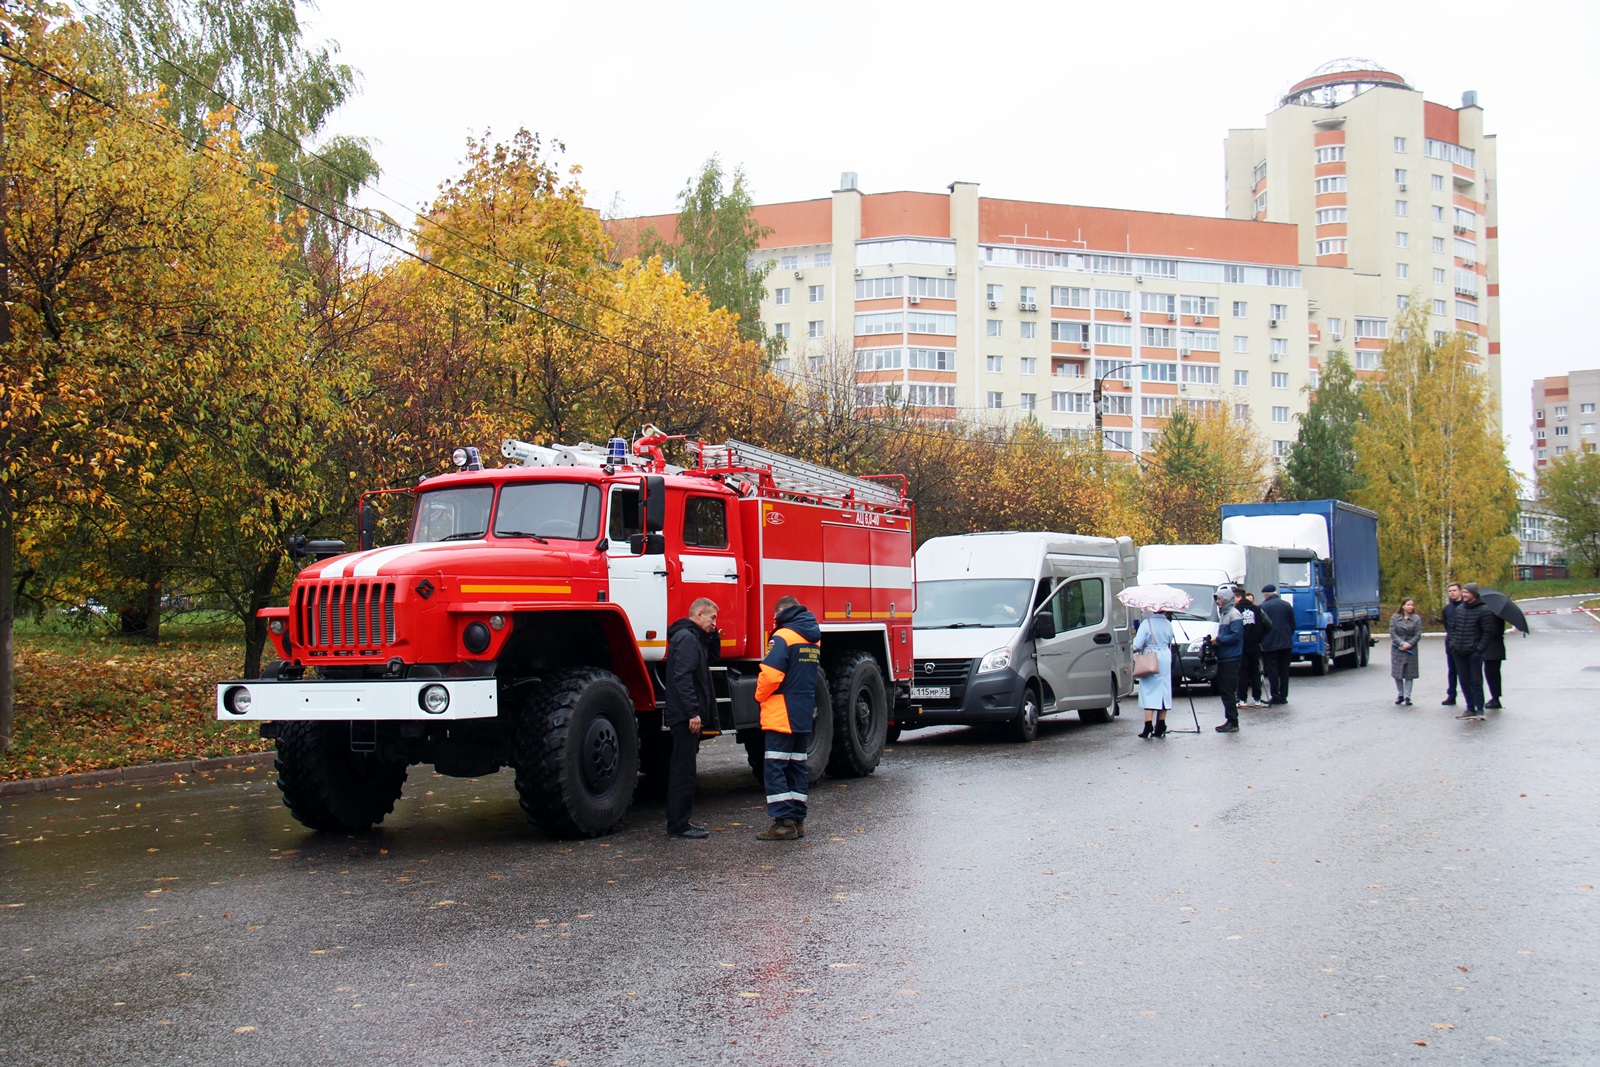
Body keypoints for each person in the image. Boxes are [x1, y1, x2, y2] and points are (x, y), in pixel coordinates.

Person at [754, 596, 823, 841]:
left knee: (775, 767)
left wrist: (758, 695)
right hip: (803, 713)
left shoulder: (782, 636)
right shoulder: (812, 638)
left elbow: (771, 675)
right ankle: (797, 820)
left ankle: (783, 823)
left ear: (781, 612)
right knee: (796, 767)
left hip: (781, 713)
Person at [663, 597, 719, 838]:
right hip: (686, 717)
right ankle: (679, 825)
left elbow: (712, 662)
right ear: (698, 614)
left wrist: (714, 637)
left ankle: (680, 822)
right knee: (683, 771)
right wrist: (692, 712)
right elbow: (682, 677)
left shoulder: (693, 638)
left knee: (684, 769)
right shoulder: (687, 639)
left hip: (685, 716)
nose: (714, 623)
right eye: (712, 618)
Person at [1445, 582, 1493, 720]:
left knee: (1476, 681)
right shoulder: (1460, 609)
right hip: (1458, 652)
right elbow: (1453, 628)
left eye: (1467, 592)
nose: (1464, 595)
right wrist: (1453, 645)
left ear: (1474, 594)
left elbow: (1487, 632)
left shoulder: (1484, 610)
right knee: (1464, 680)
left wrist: (1479, 649)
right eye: (1463, 592)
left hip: (1474, 653)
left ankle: (1479, 708)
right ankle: (1469, 707)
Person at [1132, 609, 1175, 738]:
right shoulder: (1168, 623)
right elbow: (1170, 639)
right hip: (1165, 656)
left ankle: (1148, 724)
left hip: (1151, 656)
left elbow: (1137, 644)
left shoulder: (1147, 623)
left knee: (1149, 689)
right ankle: (1161, 723)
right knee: (1164, 688)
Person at [1210, 586, 1244, 732]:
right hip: (1225, 656)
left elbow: (1236, 636)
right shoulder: (1225, 614)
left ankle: (1233, 721)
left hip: (1231, 657)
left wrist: (1219, 640)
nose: (1217, 601)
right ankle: (1230, 718)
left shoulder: (1233, 614)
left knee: (1228, 689)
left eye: (1219, 599)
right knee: (1224, 689)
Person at [1235, 586, 1272, 709]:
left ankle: (1242, 699)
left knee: (1243, 673)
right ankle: (1257, 699)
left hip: (1242, 645)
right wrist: (1260, 636)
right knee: (1255, 672)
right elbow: (1268, 624)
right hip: (1255, 645)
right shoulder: (1257, 609)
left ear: (1239, 597)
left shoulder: (1235, 610)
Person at [1257, 584, 1295, 706]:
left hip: (1270, 644)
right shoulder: (1286, 605)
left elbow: (1261, 627)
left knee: (1273, 671)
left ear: (1266, 594)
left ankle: (1275, 695)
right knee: (1284, 670)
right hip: (1286, 643)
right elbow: (1292, 624)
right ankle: (1284, 696)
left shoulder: (1262, 607)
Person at [1389, 597, 1422, 706]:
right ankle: (1400, 694)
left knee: (1409, 673)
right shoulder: (1395, 617)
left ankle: (1408, 696)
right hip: (1397, 648)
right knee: (1397, 673)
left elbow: (1418, 634)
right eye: (1408, 605)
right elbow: (1392, 632)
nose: (1410, 607)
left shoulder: (1416, 619)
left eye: (1412, 605)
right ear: (1403, 606)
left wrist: (1409, 644)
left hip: (1410, 649)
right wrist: (1401, 643)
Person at [1440, 582, 1463, 705]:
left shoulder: (1465, 606)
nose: (1452, 593)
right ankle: (1451, 695)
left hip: (1464, 644)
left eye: (1454, 590)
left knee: (1465, 672)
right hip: (1450, 643)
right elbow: (1446, 625)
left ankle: (1470, 697)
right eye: (1450, 591)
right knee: (1452, 671)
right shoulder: (1447, 609)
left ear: (1460, 591)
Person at [1483, 613, 1507, 710]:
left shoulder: (1496, 615)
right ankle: (1495, 697)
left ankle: (1496, 698)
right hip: (1492, 648)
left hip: (1493, 649)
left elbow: (1495, 631)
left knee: (1493, 674)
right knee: (1491, 674)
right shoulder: (1494, 613)